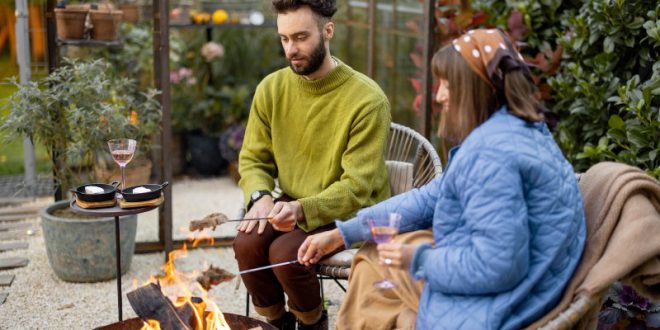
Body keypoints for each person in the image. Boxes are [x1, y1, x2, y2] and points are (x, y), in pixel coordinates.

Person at [298, 28, 587, 329]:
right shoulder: (520, 131)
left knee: (373, 267)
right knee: (376, 257)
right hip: (534, 285)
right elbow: (428, 198)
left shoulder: (491, 152)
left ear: (477, 88)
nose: (439, 95)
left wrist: (419, 258)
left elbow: (499, 265)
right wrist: (343, 233)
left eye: (448, 84)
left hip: (511, 302)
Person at [233, 0, 392, 329]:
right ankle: (276, 322)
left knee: (286, 255)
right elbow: (252, 158)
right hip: (293, 203)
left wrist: (301, 209)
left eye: (301, 37)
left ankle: (312, 321)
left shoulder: (367, 99)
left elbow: (356, 188)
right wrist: (260, 196)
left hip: (347, 209)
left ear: (328, 31)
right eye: (284, 39)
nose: (291, 49)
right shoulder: (272, 89)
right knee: (246, 245)